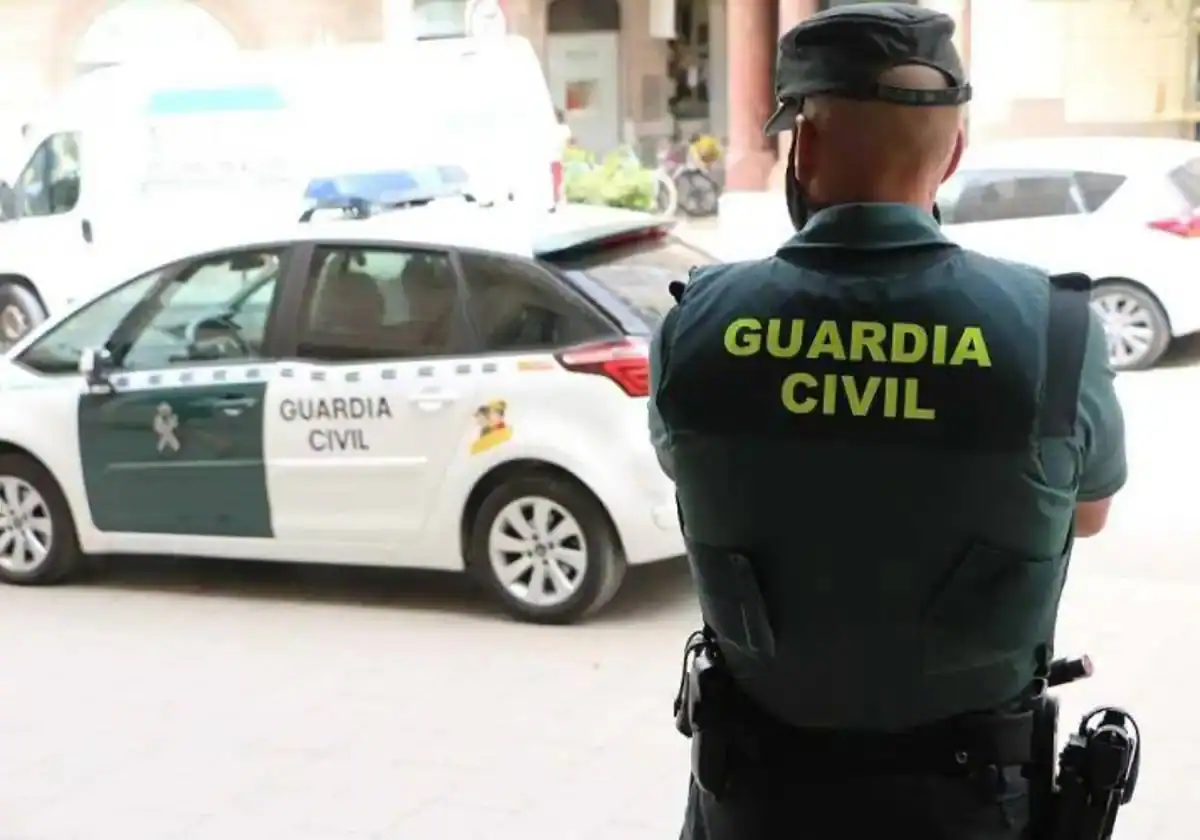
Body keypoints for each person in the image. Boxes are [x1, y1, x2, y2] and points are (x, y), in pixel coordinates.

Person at [648, 4, 1127, 839]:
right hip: (970, 805)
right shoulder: (1056, 332)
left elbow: (689, 472)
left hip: (758, 800)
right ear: (954, 154)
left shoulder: (698, 325)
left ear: (804, 146)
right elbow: (1086, 513)